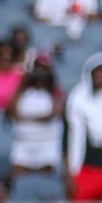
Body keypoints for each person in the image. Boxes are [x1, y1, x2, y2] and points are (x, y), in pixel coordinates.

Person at [66, 54, 102, 203]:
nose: (100, 75)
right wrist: (70, 174)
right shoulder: (78, 100)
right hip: (83, 171)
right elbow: (68, 139)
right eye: (97, 71)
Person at [5, 54, 66, 183]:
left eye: (43, 69)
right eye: (37, 68)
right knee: (18, 177)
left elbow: (52, 115)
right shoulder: (22, 90)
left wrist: (26, 118)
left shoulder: (55, 91)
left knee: (46, 179)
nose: (40, 73)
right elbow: (14, 112)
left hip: (47, 142)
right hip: (24, 142)